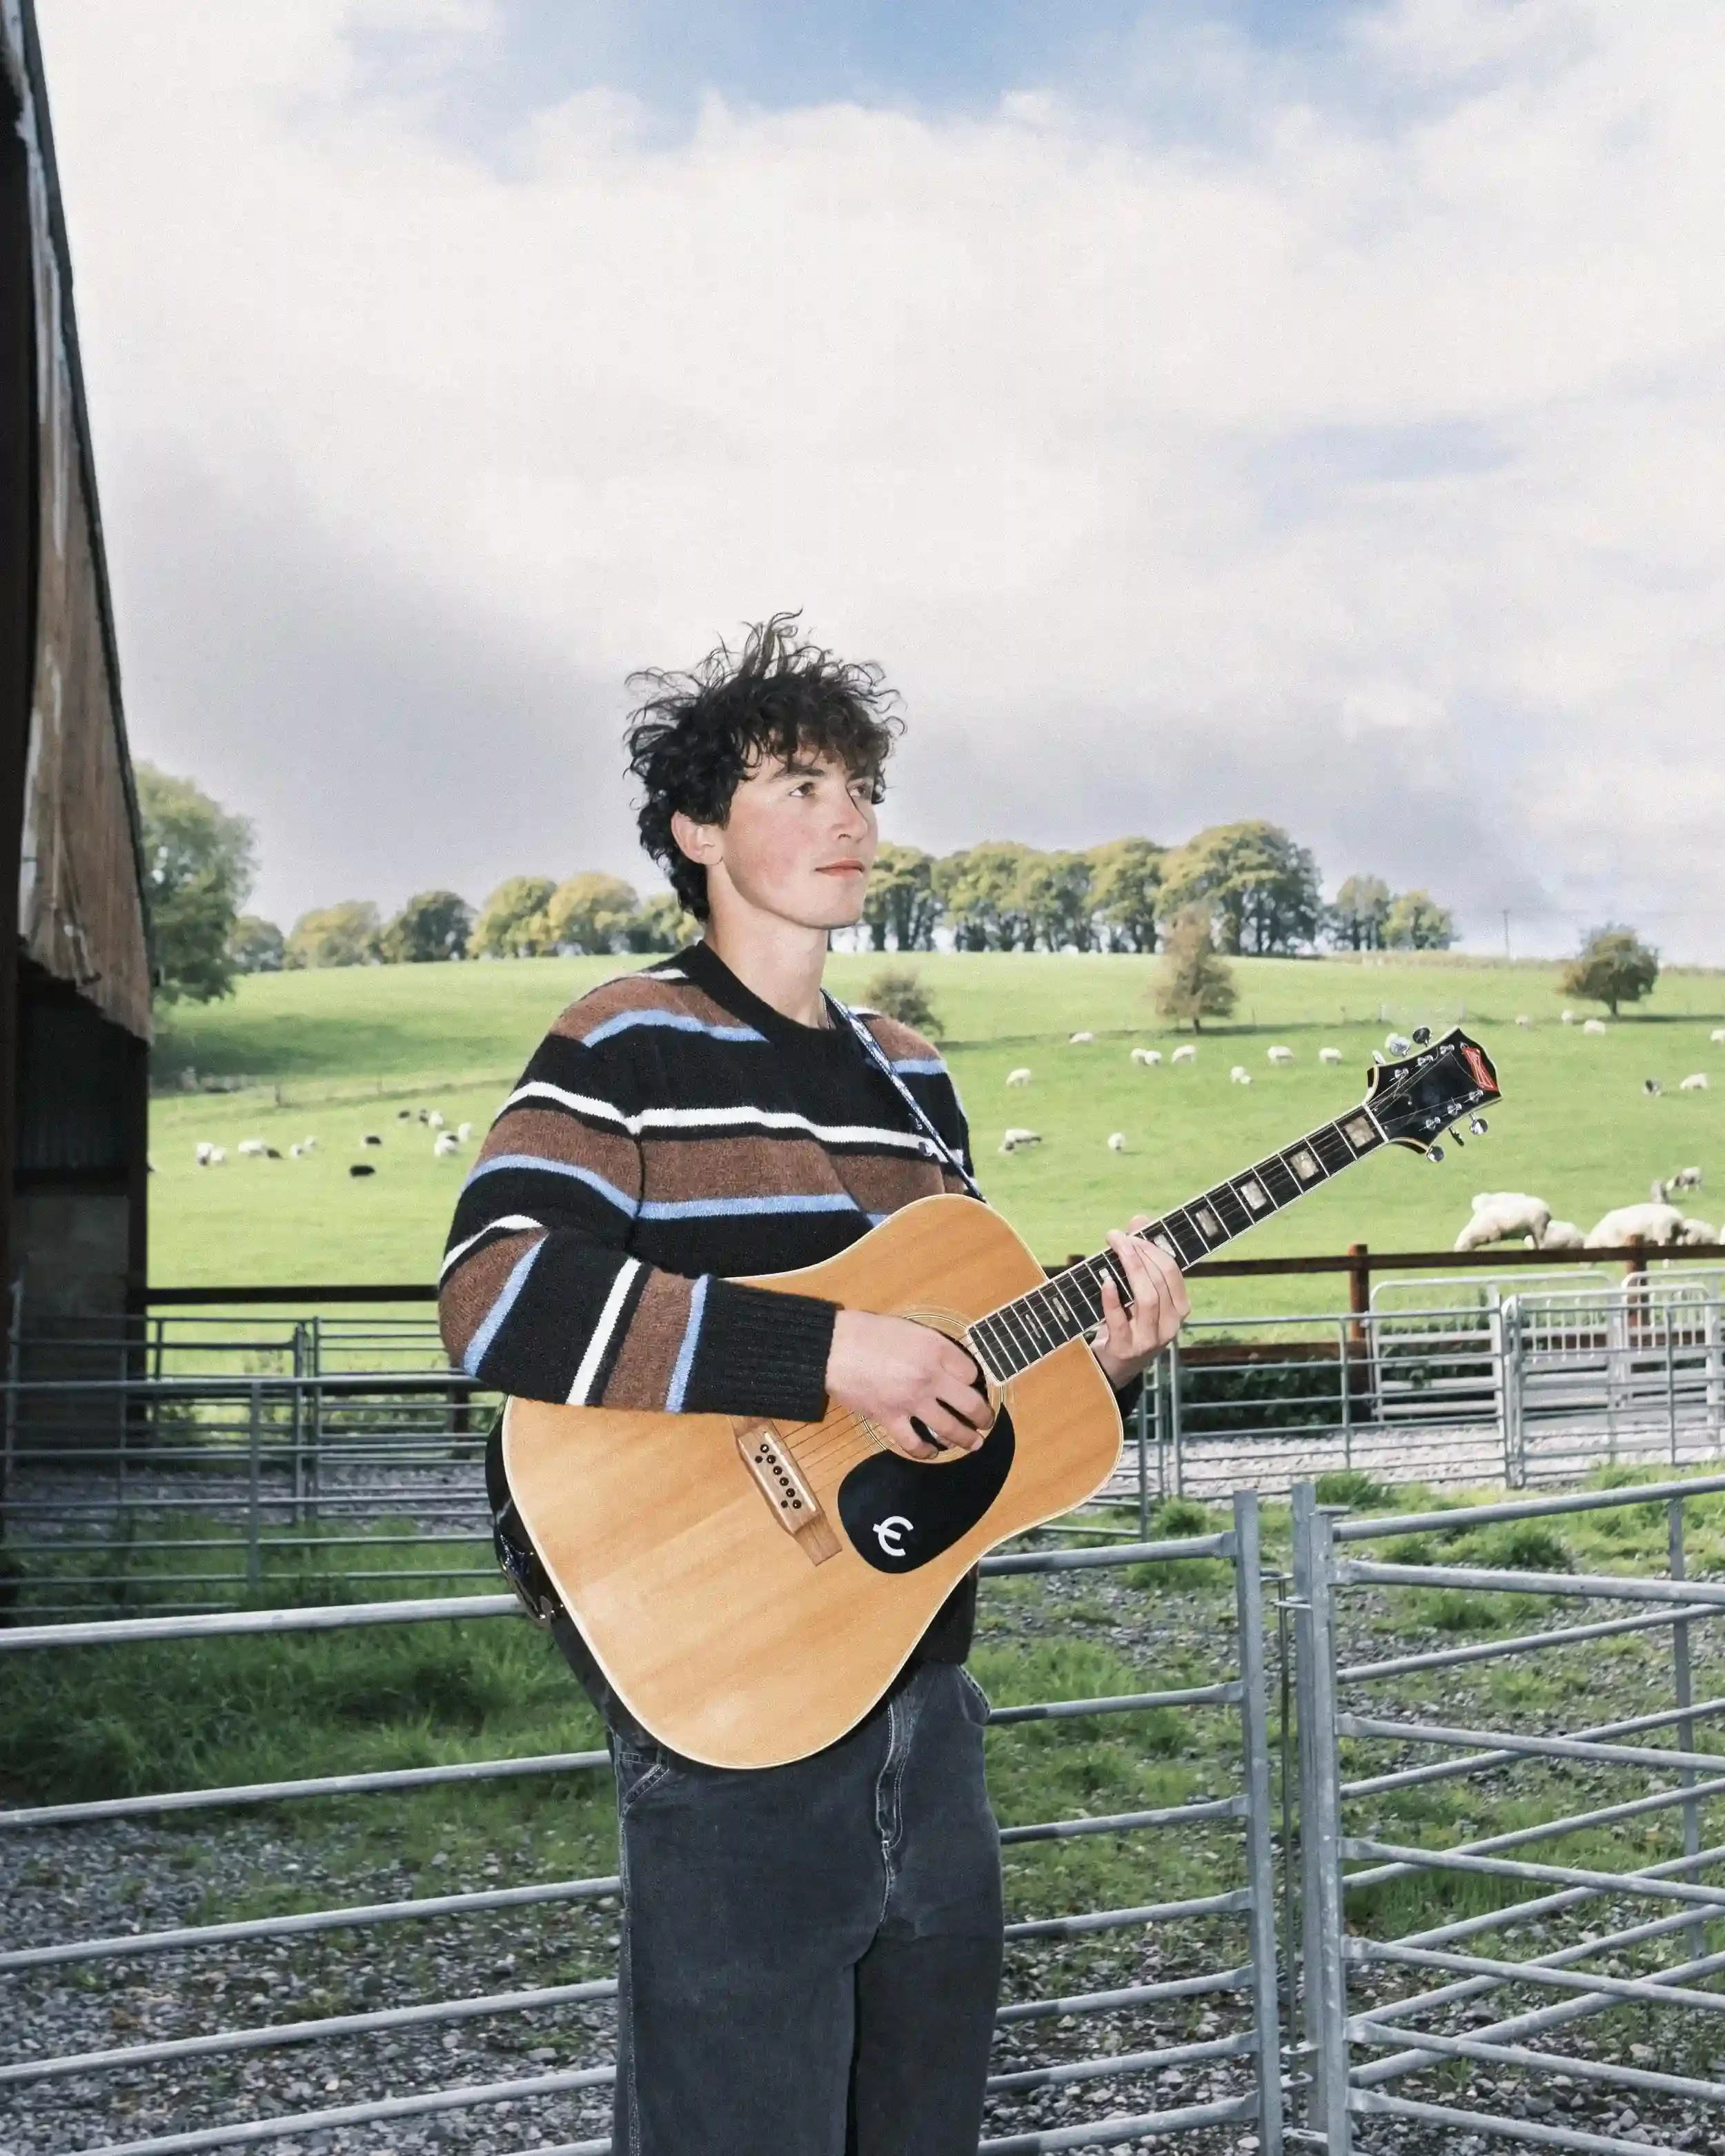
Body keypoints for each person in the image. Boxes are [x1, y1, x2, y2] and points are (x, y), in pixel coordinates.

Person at [438, 615, 1189, 2156]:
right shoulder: (625, 1035)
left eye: (859, 784)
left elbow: (955, 1388)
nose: (849, 815)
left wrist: (1095, 1355)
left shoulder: (912, 1075)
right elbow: (493, 1291)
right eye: (797, 782)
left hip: (923, 1686)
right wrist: (821, 1350)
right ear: (695, 830)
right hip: (725, 1692)